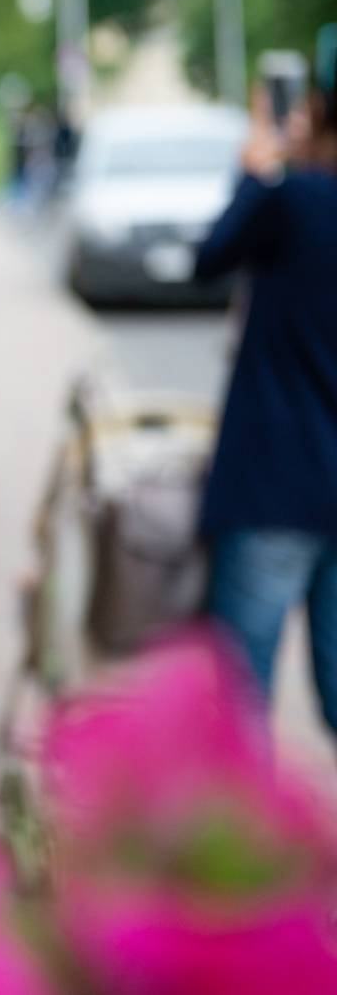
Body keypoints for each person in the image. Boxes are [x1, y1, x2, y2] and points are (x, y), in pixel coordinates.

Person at [194, 86, 337, 733]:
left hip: (276, 484)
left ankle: (253, 839)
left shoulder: (296, 199)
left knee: (241, 700)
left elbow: (211, 257)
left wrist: (252, 173)